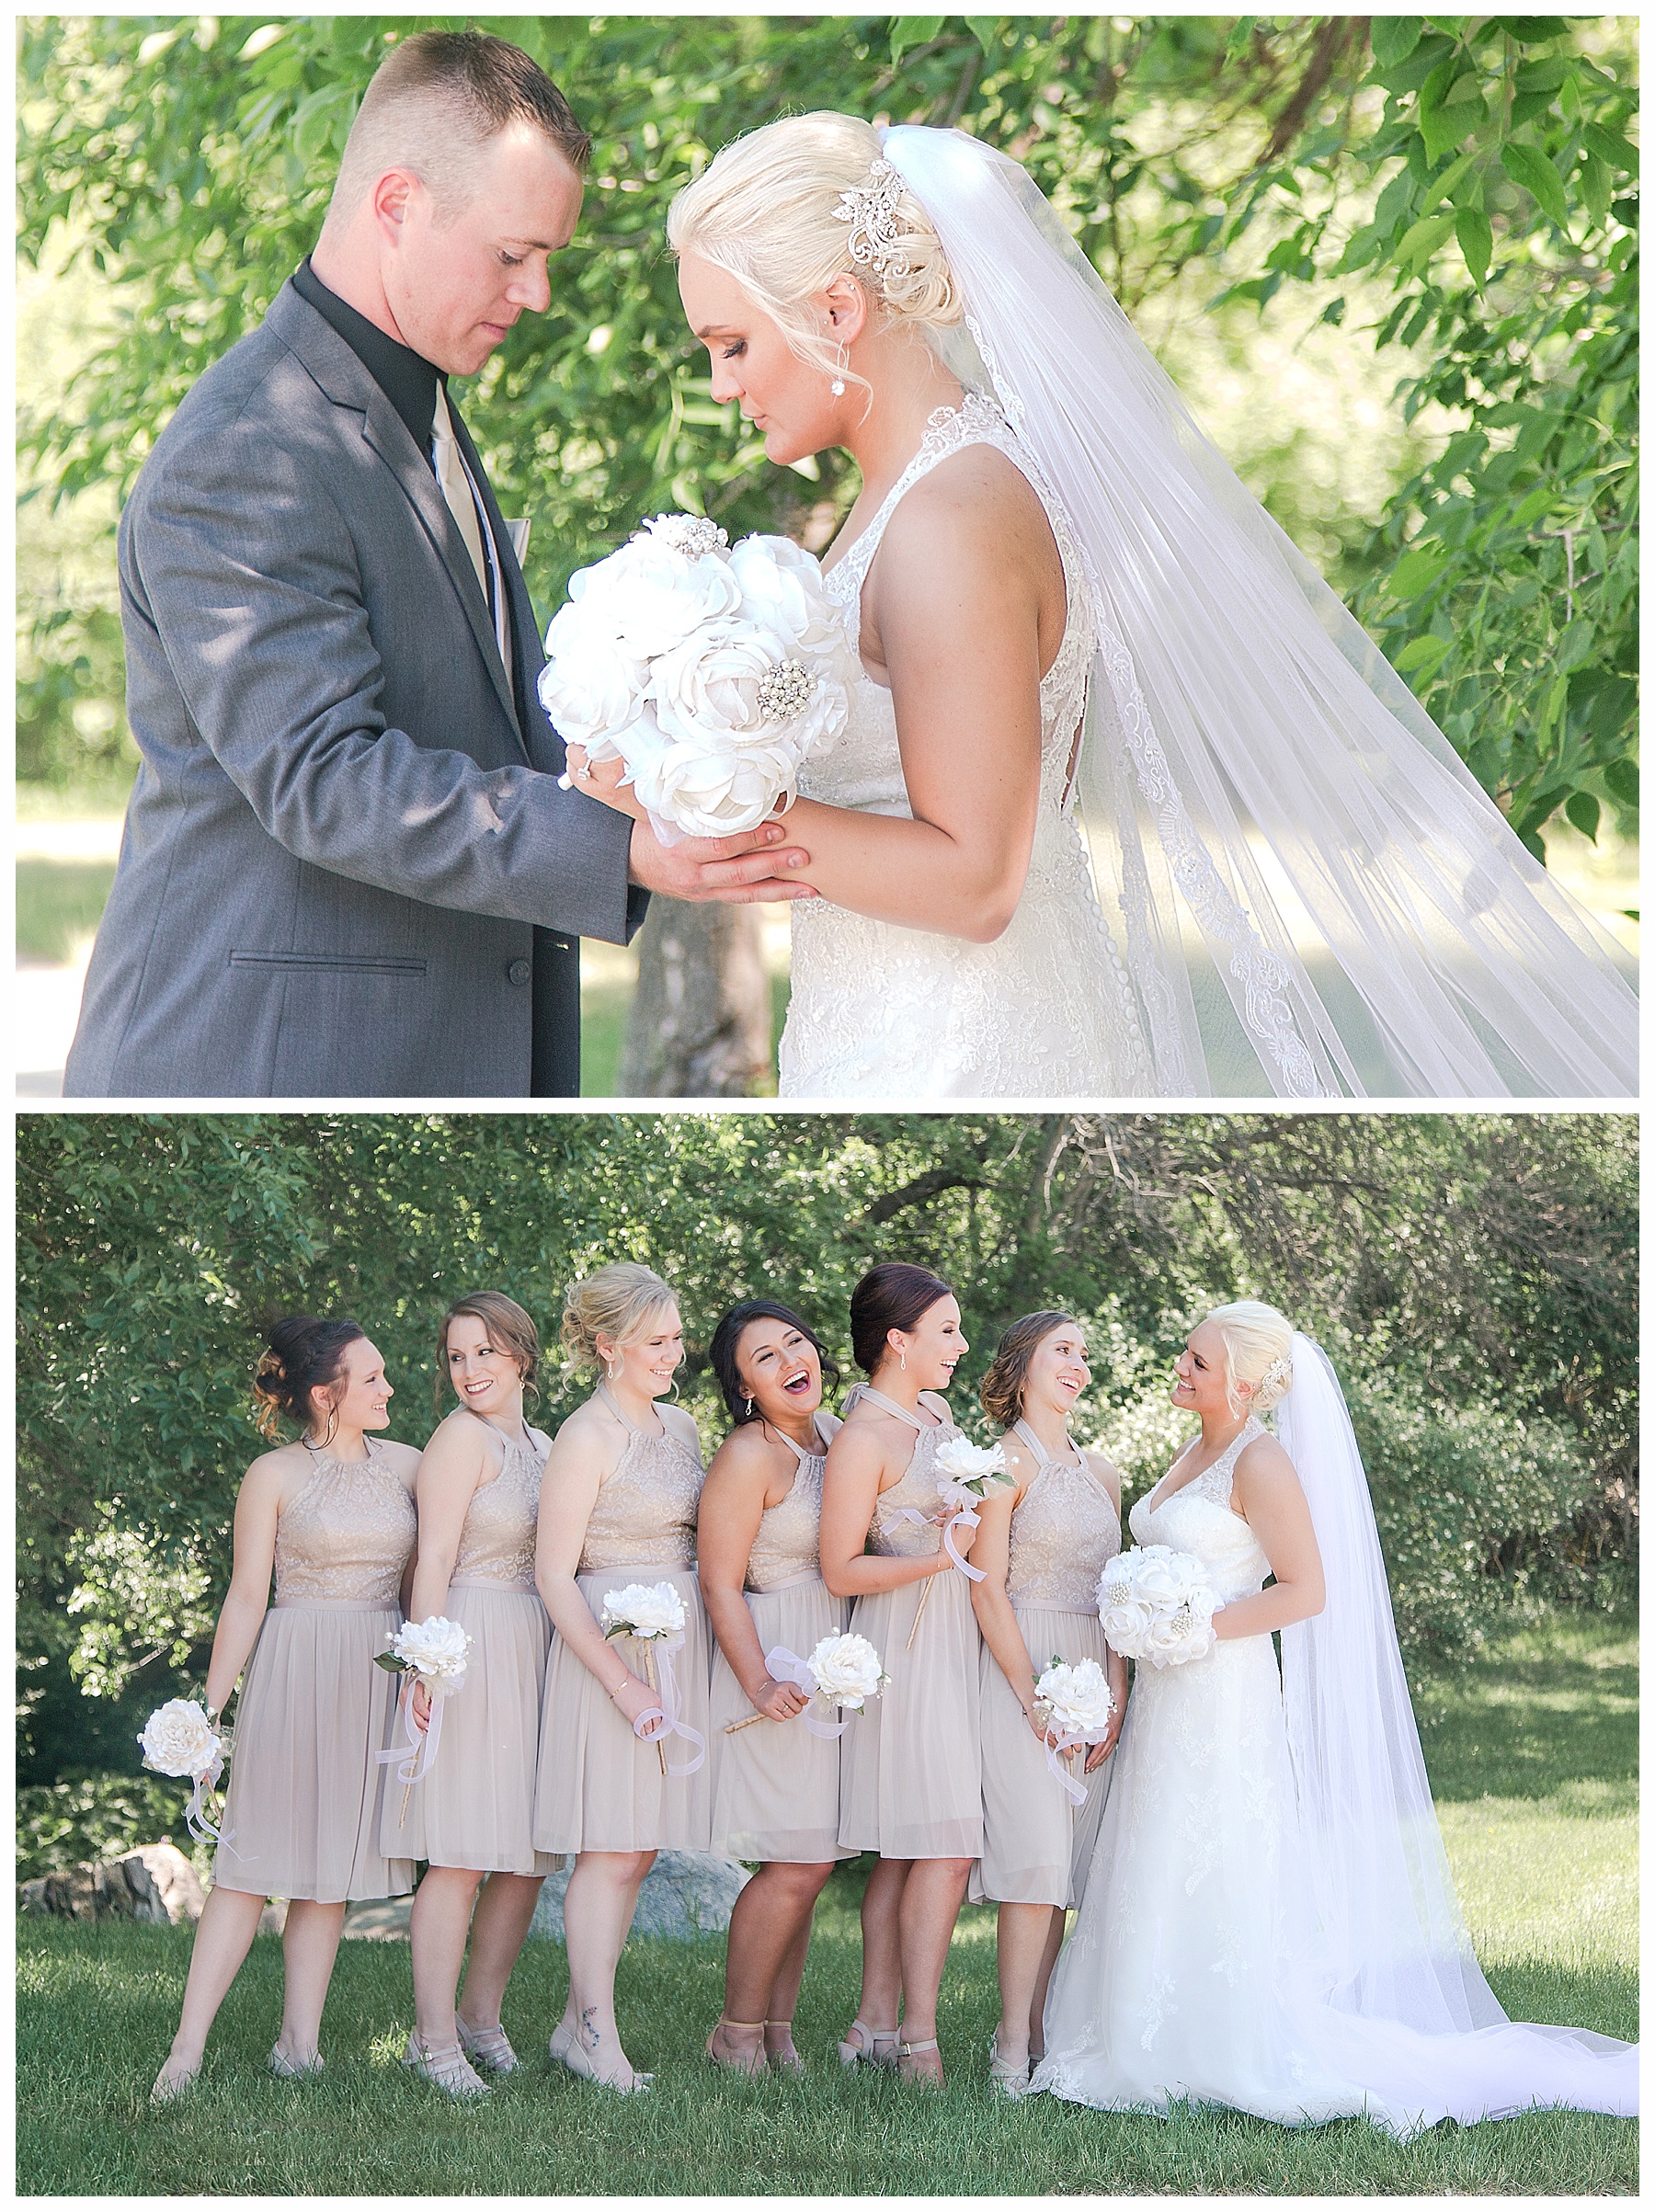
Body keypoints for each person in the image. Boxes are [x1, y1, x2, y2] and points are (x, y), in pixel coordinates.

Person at [572, 110, 1635, 1100]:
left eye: (731, 345)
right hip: (889, 1021)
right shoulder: (913, 493)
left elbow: (979, 877)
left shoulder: (950, 519)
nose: (719, 384)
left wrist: (692, 798)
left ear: (837, 312)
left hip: (962, 1047)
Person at [63, 29, 814, 1100]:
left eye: (546, 257)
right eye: (514, 255)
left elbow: (475, 721)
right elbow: (323, 777)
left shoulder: (414, 404)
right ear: (397, 203)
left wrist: (678, 751)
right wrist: (614, 850)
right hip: (272, 1067)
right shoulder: (249, 448)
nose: (539, 293)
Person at [1034, 1302, 1639, 2135]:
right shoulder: (1192, 1450)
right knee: (1157, 1841)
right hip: (1170, 1689)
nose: (1181, 1367)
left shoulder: (1262, 1460)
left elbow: (1305, 1590)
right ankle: (1136, 2032)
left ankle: (1222, 2041)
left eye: (1199, 1362)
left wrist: (1188, 1627)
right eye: (1187, 1355)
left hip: (1221, 1688)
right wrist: (1144, 1626)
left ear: (1244, 1385)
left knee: (1213, 1842)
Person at [150, 1317, 419, 2102]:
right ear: (324, 1395)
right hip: (294, 1665)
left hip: (377, 1669)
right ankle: (186, 2050)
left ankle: (298, 2046)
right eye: (370, 1378)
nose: (388, 1388)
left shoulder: (408, 1465)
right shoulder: (272, 1474)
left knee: (327, 1871)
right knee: (247, 1867)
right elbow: (244, 1598)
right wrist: (207, 1714)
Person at [533, 1263, 712, 2092]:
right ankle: (599, 2034)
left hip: (673, 1647)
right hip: (607, 1655)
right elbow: (552, 1576)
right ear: (607, 1346)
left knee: (638, 1849)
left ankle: (576, 2023)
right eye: (654, 1342)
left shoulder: (681, 1428)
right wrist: (621, 1681)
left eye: (676, 1337)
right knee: (607, 1850)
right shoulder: (585, 1437)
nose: (672, 1354)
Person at [392, 1293, 556, 2098]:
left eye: (484, 1353)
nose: (469, 1372)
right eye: (456, 1357)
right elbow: (433, 1561)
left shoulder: (542, 1442)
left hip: (535, 1645)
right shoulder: (457, 1441)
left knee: (525, 1857)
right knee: (457, 1854)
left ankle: (481, 2018)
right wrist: (427, 1662)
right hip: (470, 1640)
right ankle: (432, 2041)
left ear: (521, 1355)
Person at [818, 1263, 979, 2086]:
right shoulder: (863, 1440)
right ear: (898, 1339)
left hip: (960, 1638)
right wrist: (935, 1559)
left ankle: (870, 2028)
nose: (958, 1344)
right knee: (941, 1846)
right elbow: (842, 1569)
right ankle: (919, 2037)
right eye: (945, 1330)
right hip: (903, 1643)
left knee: (911, 1851)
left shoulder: (940, 1416)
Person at [968, 1313, 1125, 2097]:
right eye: (1063, 1350)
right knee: (1032, 1864)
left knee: (1064, 1867)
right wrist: (1032, 1693)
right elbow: (986, 1584)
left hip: (1095, 1669)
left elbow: (1115, 1593)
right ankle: (1006, 2047)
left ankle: (1043, 2035)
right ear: (1021, 1366)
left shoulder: (1103, 1473)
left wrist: (1119, 1688)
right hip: (1020, 1661)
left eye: (1084, 1354)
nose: (1078, 1364)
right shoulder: (1002, 1465)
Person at [699, 1299, 850, 2075]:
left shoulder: (837, 1438)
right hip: (774, 1667)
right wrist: (757, 1680)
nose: (792, 1360)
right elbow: (720, 1583)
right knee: (795, 1861)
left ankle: (776, 2031)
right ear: (744, 1387)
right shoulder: (747, 1457)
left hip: (837, 1665)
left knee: (812, 1861)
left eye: (796, 1343)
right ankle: (734, 2031)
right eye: (764, 1356)